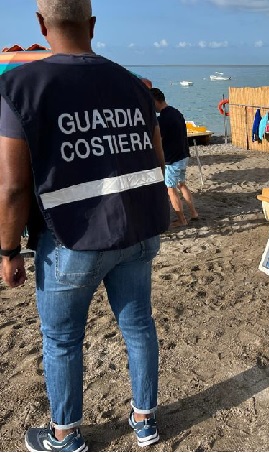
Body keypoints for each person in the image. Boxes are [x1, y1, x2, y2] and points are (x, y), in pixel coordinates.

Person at [0, 0, 170, 451]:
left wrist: (8, 251)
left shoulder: (21, 86)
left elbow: (13, 188)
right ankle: (146, 421)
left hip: (68, 239)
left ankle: (66, 435)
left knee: (61, 341)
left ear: (41, 23)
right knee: (139, 327)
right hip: (136, 232)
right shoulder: (133, 85)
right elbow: (155, 162)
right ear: (92, 24)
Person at [149, 87, 199, 227]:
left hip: (172, 159)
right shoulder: (176, 112)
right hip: (183, 155)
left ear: (154, 101)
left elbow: (158, 140)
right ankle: (194, 213)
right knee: (181, 185)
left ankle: (182, 220)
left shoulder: (163, 119)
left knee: (171, 189)